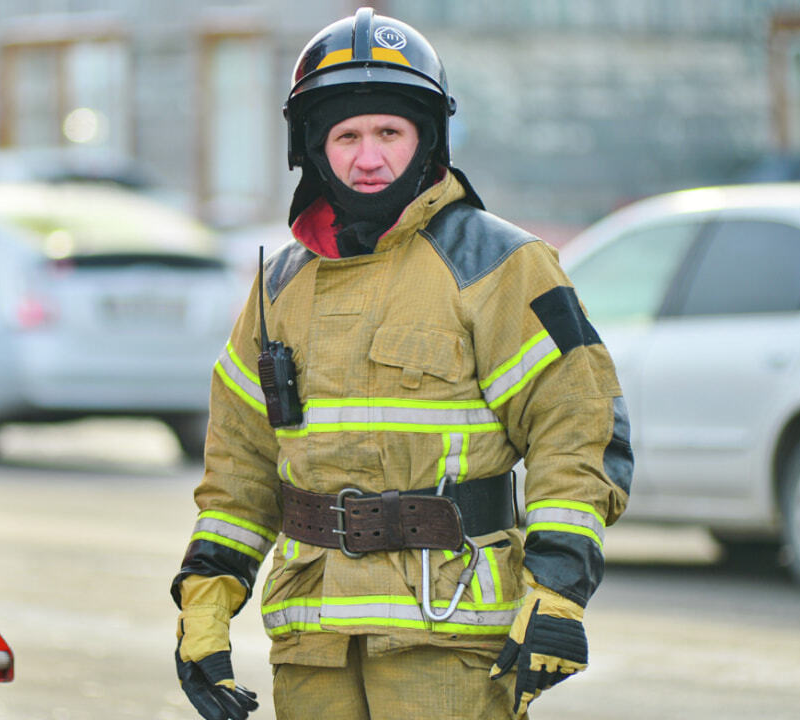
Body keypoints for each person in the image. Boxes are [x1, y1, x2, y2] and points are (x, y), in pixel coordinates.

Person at [171, 8, 632, 719]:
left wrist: (557, 589)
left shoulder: (499, 265)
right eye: (347, 135)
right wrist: (205, 601)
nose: (368, 156)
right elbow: (238, 468)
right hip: (313, 642)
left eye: (389, 132)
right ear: (315, 149)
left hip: (450, 639)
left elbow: (579, 428)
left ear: (426, 139)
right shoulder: (278, 290)